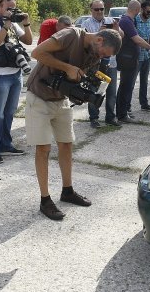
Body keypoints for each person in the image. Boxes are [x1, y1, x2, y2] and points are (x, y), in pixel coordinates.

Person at [26, 27, 122, 220]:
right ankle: (45, 200)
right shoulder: (70, 35)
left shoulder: (95, 55)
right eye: (103, 53)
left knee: (66, 144)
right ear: (100, 40)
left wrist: (82, 93)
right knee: (43, 148)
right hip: (39, 96)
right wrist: (67, 68)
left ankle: (67, 191)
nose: (102, 57)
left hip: (61, 100)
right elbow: (36, 53)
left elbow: (80, 78)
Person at [0, 0, 33, 164]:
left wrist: (25, 23)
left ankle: (5, 144)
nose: (12, 11)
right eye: (8, 7)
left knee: (9, 112)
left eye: (14, 8)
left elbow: (27, 40)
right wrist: (6, 25)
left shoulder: (12, 22)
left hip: (14, 73)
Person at [115, 0, 150, 123]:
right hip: (128, 59)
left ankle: (122, 113)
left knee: (125, 86)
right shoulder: (127, 21)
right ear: (137, 9)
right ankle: (122, 115)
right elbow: (137, 39)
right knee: (126, 86)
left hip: (130, 59)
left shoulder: (128, 20)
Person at [82, 0, 121, 127]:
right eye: (96, 9)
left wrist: (117, 30)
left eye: (101, 9)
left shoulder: (111, 21)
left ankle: (110, 117)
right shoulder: (86, 23)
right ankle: (94, 118)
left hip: (111, 62)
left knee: (111, 91)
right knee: (94, 90)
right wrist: (99, 31)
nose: (99, 12)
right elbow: (85, 43)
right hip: (95, 64)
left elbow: (121, 37)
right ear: (91, 10)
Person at [135, 0, 150, 112]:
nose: (149, 14)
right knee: (132, 81)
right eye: (148, 11)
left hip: (147, 56)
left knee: (144, 81)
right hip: (136, 56)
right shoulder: (135, 20)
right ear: (142, 9)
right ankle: (126, 106)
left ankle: (144, 104)